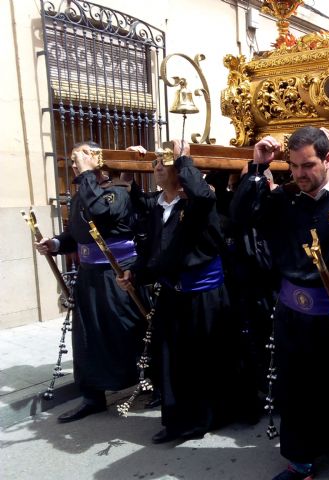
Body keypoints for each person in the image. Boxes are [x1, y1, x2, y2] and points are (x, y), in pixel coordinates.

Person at [230, 126, 329, 480]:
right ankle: (300, 460)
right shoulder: (284, 199)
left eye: (309, 165)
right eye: (294, 166)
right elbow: (240, 217)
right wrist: (257, 168)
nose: (301, 174)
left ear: (328, 160)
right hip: (292, 313)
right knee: (295, 389)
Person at [118, 140, 256, 444]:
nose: (156, 167)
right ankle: (177, 419)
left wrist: (183, 159)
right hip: (171, 295)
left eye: (163, 163)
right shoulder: (158, 208)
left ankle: (206, 418)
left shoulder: (197, 206)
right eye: (155, 163)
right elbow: (152, 251)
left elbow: (205, 197)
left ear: (180, 171)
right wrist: (135, 273)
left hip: (203, 296)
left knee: (205, 360)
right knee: (172, 360)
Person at [35, 141, 145, 423]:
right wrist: (56, 243)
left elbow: (101, 214)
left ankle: (147, 381)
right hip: (89, 277)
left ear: (96, 160)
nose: (74, 163)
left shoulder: (117, 193)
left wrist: (87, 175)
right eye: (72, 159)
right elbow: (77, 233)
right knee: (87, 339)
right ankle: (92, 397)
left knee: (125, 332)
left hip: (117, 274)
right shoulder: (82, 193)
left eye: (80, 158)